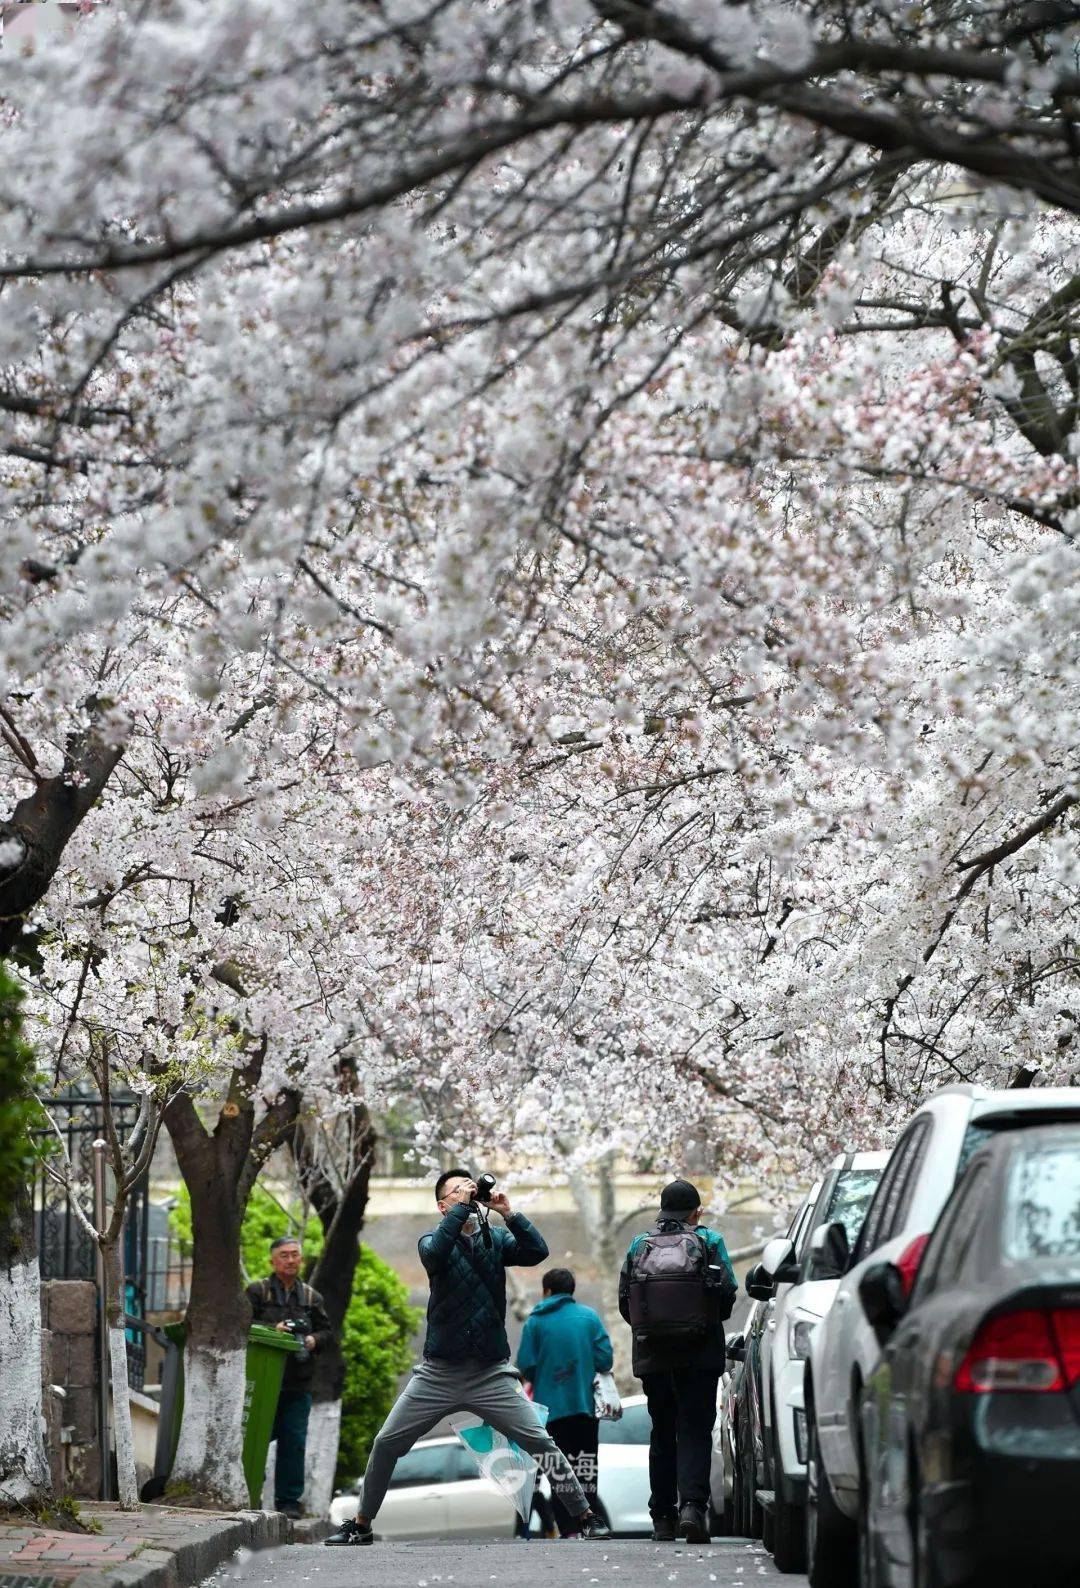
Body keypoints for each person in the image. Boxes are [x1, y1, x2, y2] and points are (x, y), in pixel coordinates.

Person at [325, 1169, 611, 1545]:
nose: (467, 1193)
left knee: (542, 1442)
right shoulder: (432, 1241)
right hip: (438, 1374)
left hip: (490, 1373)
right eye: (457, 1191)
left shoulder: (495, 1241)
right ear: (443, 1205)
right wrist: (462, 1209)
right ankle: (361, 1524)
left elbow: (537, 1251)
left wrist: (509, 1213)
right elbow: (436, 1255)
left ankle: (586, 1517)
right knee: (386, 1442)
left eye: (468, 1188)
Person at [618, 1179, 736, 1545]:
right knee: (695, 1431)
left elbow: (627, 1302)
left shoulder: (639, 1244)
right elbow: (728, 1297)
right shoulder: (710, 1241)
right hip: (700, 1355)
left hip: (654, 1356)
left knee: (662, 1431)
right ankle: (693, 1509)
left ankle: (663, 1518)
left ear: (661, 1211)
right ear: (696, 1211)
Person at [516, 1267, 613, 1537]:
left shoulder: (535, 1322)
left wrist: (546, 1377)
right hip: (584, 1407)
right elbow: (605, 1359)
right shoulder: (589, 1318)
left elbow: (526, 1364)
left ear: (547, 1291)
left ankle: (568, 1530)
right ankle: (590, 1525)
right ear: (571, 1291)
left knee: (559, 1471)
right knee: (586, 1467)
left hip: (551, 1413)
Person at [246, 1234, 332, 1519]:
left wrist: (311, 1341)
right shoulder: (257, 1292)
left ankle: (289, 1503)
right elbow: (242, 1325)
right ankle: (248, 1493)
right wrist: (274, 1328)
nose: (291, 1260)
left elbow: (327, 1333)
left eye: (295, 1254)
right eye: (284, 1254)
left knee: (293, 1443)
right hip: (262, 1383)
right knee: (254, 1440)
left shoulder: (310, 1296)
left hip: (298, 1383)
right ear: (272, 1259)